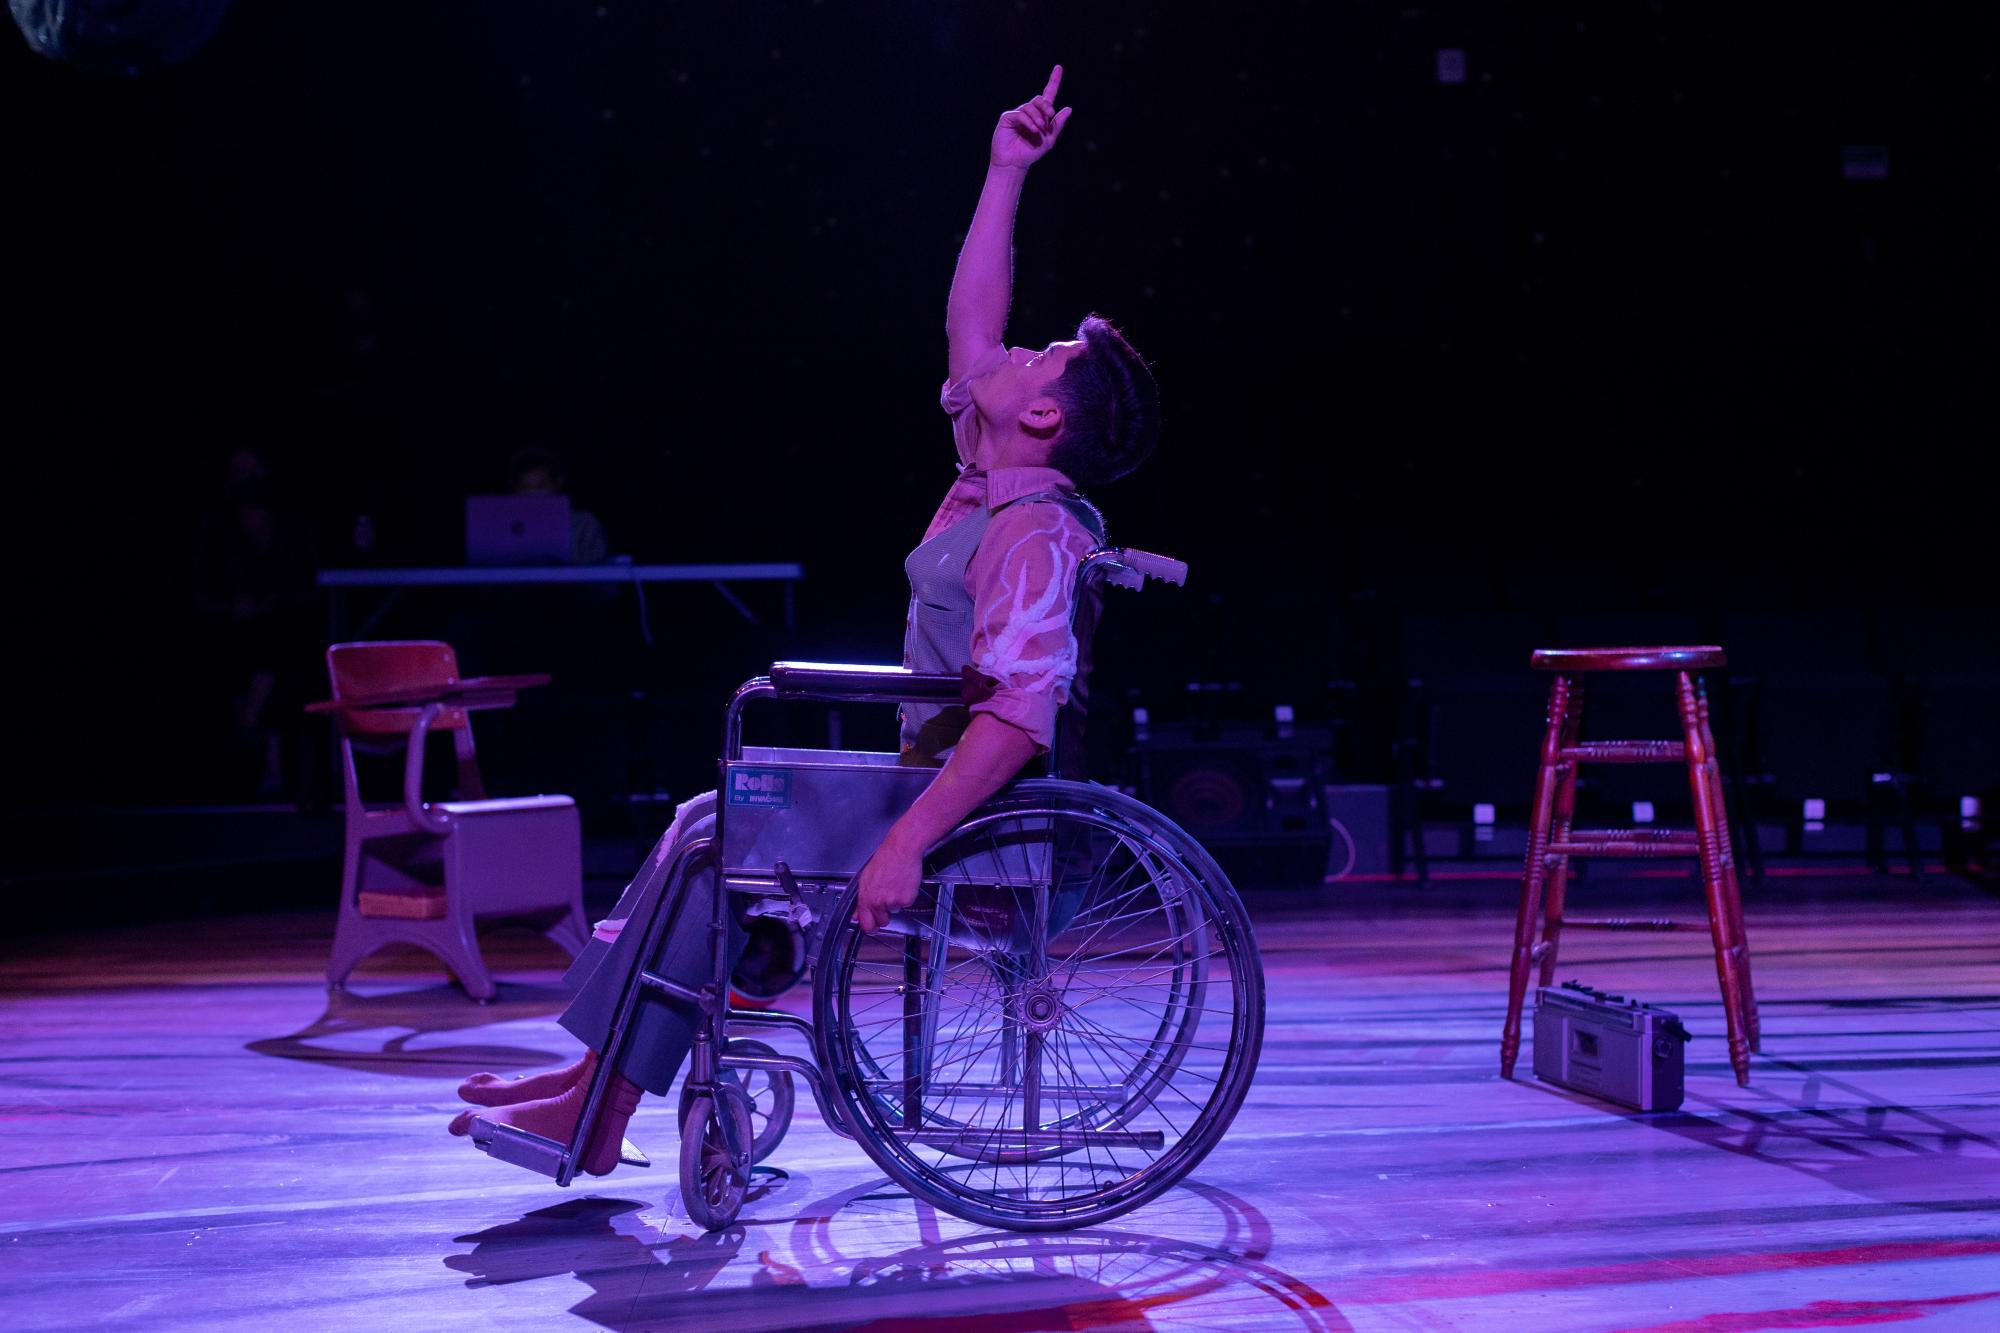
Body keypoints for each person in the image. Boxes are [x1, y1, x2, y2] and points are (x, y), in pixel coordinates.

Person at [450, 65, 1161, 1176]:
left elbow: (1019, 718)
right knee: (705, 820)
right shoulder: (996, 488)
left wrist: (903, 843)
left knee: (718, 830)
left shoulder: (1032, 531)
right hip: (929, 780)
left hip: (978, 821)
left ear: (1041, 413)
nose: (1006, 352)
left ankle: (603, 1101)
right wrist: (1003, 173)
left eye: (1036, 357)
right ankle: (592, 1080)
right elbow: (968, 319)